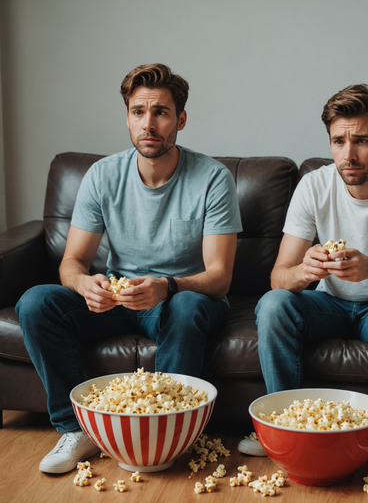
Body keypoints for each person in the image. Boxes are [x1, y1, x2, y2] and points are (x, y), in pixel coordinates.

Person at [16, 63, 242, 474]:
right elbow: (72, 263)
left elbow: (219, 277)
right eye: (138, 112)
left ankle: (165, 430)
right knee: (35, 302)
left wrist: (167, 286)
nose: (148, 123)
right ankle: (76, 428)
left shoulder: (213, 178)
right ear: (127, 117)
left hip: (183, 298)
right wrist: (86, 284)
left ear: (181, 120)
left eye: (161, 113)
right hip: (120, 296)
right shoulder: (102, 176)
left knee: (187, 306)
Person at [239, 84, 368, 478]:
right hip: (332, 303)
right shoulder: (315, 185)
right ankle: (282, 425)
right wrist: (305, 271)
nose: (348, 154)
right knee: (273, 303)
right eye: (339, 141)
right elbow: (278, 277)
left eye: (362, 141)